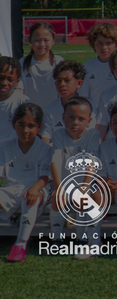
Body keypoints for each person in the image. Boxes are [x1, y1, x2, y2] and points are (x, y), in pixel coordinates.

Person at [48, 96, 101, 253]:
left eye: (81, 119)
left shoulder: (93, 134)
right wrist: (59, 188)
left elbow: (92, 162)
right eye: (71, 117)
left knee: (85, 198)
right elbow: (55, 161)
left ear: (89, 121)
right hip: (64, 184)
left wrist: (84, 188)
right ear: (63, 117)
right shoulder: (58, 134)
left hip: (86, 184)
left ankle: (82, 239)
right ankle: (56, 239)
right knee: (56, 198)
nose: (75, 122)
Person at [0, 102, 51, 262]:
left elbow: (44, 178)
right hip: (12, 188)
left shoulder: (45, 149)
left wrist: (35, 189)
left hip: (36, 188)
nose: (25, 130)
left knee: (30, 199)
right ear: (14, 125)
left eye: (31, 126)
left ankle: (20, 245)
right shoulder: (5, 147)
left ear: (39, 127)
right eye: (21, 125)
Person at [18, 22, 63, 108]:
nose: (42, 44)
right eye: (37, 40)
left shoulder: (59, 62)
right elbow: (19, 90)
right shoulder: (23, 62)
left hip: (53, 111)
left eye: (46, 40)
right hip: (30, 111)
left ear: (53, 41)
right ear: (30, 41)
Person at [42, 60, 86, 138]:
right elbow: (46, 137)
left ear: (79, 83)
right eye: (59, 81)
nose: (62, 84)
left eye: (67, 81)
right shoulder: (49, 109)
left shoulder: (88, 107)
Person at [79, 22, 117, 102]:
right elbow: (83, 95)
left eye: (108, 43)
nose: (104, 47)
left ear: (116, 44)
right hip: (95, 109)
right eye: (99, 43)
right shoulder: (87, 66)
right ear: (93, 44)